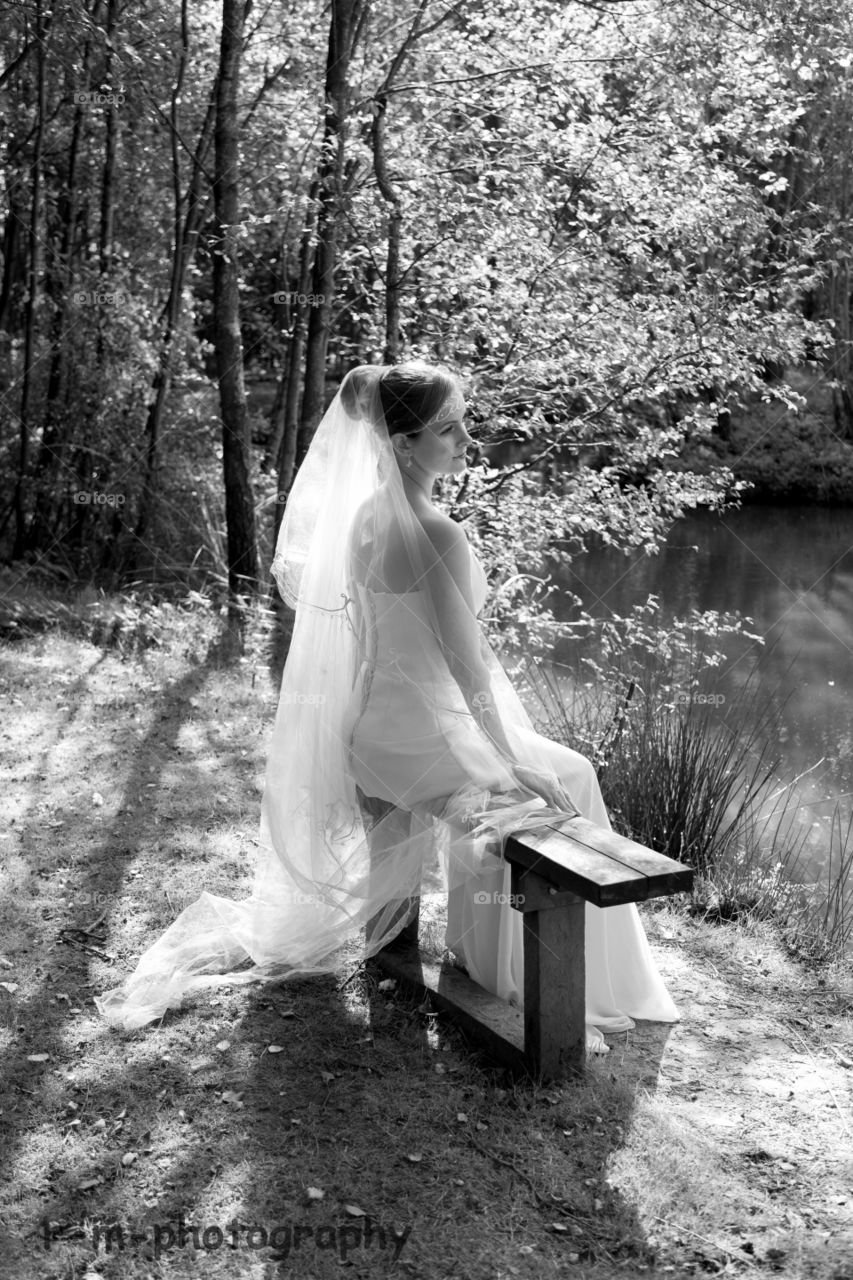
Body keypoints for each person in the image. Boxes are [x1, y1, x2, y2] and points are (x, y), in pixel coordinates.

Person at [96, 361, 678, 1051]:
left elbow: (369, 649)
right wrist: (508, 761)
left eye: (465, 422)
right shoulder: (440, 535)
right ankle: (550, 980)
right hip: (426, 736)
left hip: (377, 733)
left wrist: (375, 735)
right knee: (570, 775)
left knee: (523, 787)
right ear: (402, 444)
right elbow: (468, 673)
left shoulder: (364, 519)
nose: (466, 439)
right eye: (448, 428)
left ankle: (473, 956)